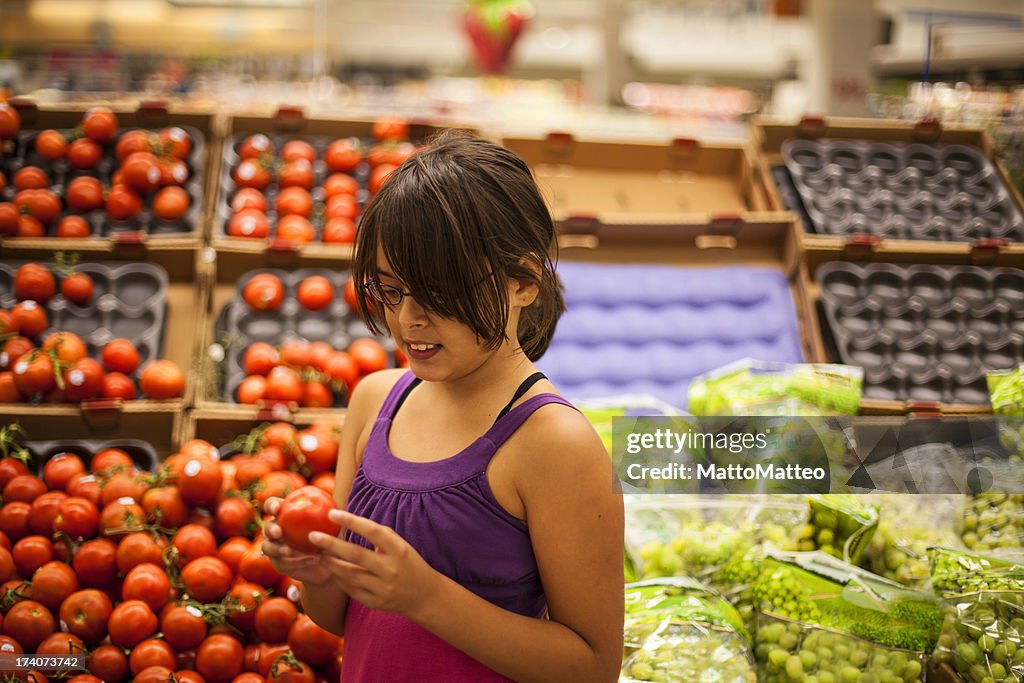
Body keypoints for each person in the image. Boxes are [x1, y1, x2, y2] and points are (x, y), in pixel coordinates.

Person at [262, 130, 624, 682]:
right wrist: (315, 567)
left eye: (438, 292)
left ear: (523, 282)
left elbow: (593, 667)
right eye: (389, 291)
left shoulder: (554, 442)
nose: (408, 319)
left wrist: (425, 596)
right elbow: (336, 617)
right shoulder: (375, 401)